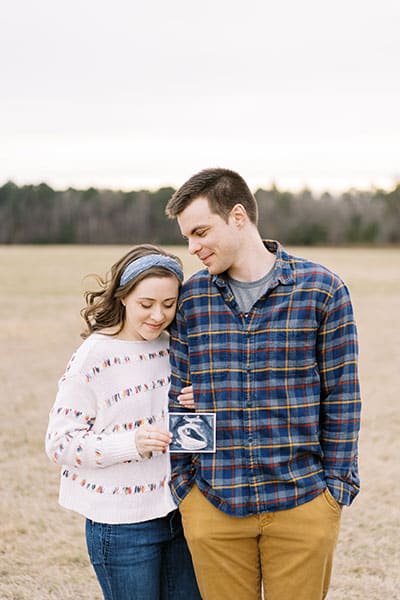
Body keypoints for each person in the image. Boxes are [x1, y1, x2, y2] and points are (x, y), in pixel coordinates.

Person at [165, 168, 361, 600]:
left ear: (238, 216)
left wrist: (334, 494)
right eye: (186, 238)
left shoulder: (322, 291)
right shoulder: (193, 299)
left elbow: (343, 398)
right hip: (214, 506)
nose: (193, 248)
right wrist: (187, 489)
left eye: (200, 231)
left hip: (304, 501)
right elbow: (180, 400)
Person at [45, 244, 201, 600]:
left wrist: (202, 401)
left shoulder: (174, 347)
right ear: (123, 297)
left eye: (169, 304)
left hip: (180, 512)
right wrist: (130, 444)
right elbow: (59, 443)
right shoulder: (95, 355)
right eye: (146, 304)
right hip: (121, 527)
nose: (158, 316)